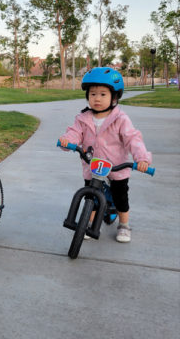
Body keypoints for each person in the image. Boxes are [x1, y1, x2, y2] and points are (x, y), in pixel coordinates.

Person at [59, 67, 152, 243]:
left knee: (120, 197)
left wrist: (142, 158)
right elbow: (74, 133)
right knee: (90, 196)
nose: (97, 98)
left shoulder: (120, 119)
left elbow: (133, 138)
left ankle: (124, 225)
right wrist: (67, 140)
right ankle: (88, 223)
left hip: (116, 166)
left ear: (114, 97)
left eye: (103, 94)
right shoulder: (82, 118)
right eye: (93, 94)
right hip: (92, 165)